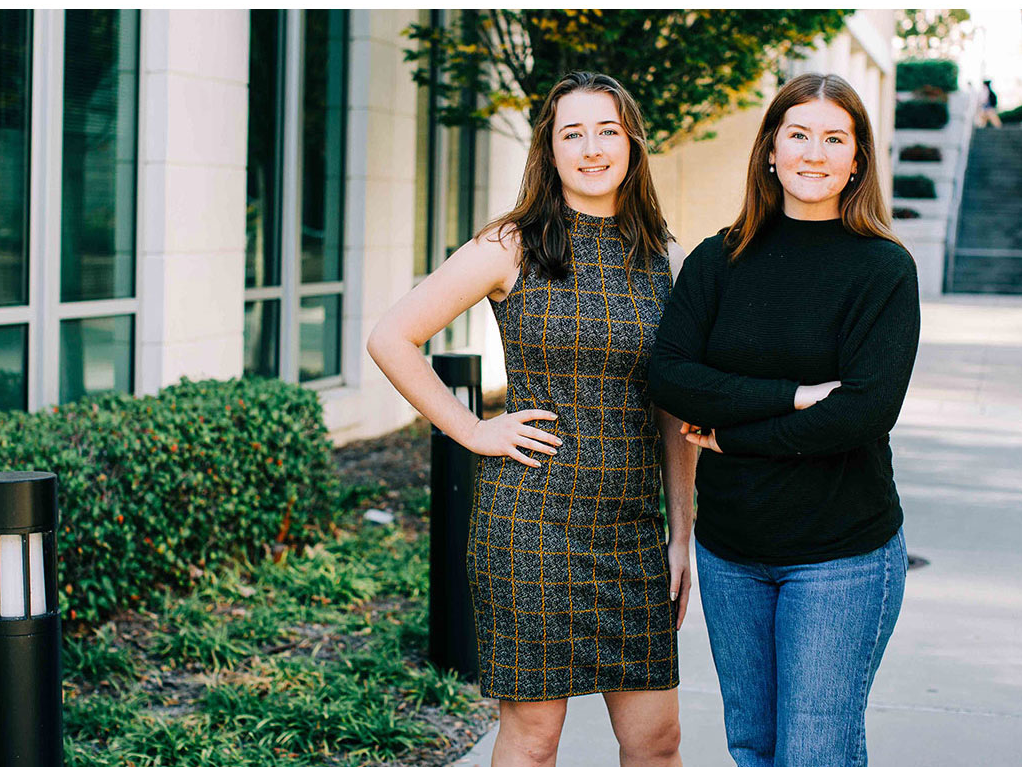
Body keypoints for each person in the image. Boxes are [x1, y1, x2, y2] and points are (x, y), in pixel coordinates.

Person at [368, 71, 695, 766]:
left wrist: (680, 536)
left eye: (607, 130)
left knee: (657, 741)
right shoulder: (510, 244)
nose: (591, 147)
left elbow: (673, 410)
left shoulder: (664, 258)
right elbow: (392, 337)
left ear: (632, 143)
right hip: (533, 526)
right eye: (571, 133)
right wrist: (473, 428)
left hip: (633, 534)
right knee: (534, 738)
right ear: (549, 150)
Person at [647, 72, 920, 767]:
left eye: (835, 138)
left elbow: (859, 414)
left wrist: (732, 432)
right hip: (732, 553)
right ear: (771, 148)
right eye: (798, 134)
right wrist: (792, 394)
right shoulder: (719, 257)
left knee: (815, 754)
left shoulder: (883, 270)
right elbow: (670, 374)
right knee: (756, 746)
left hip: (842, 555)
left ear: (857, 159)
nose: (813, 152)